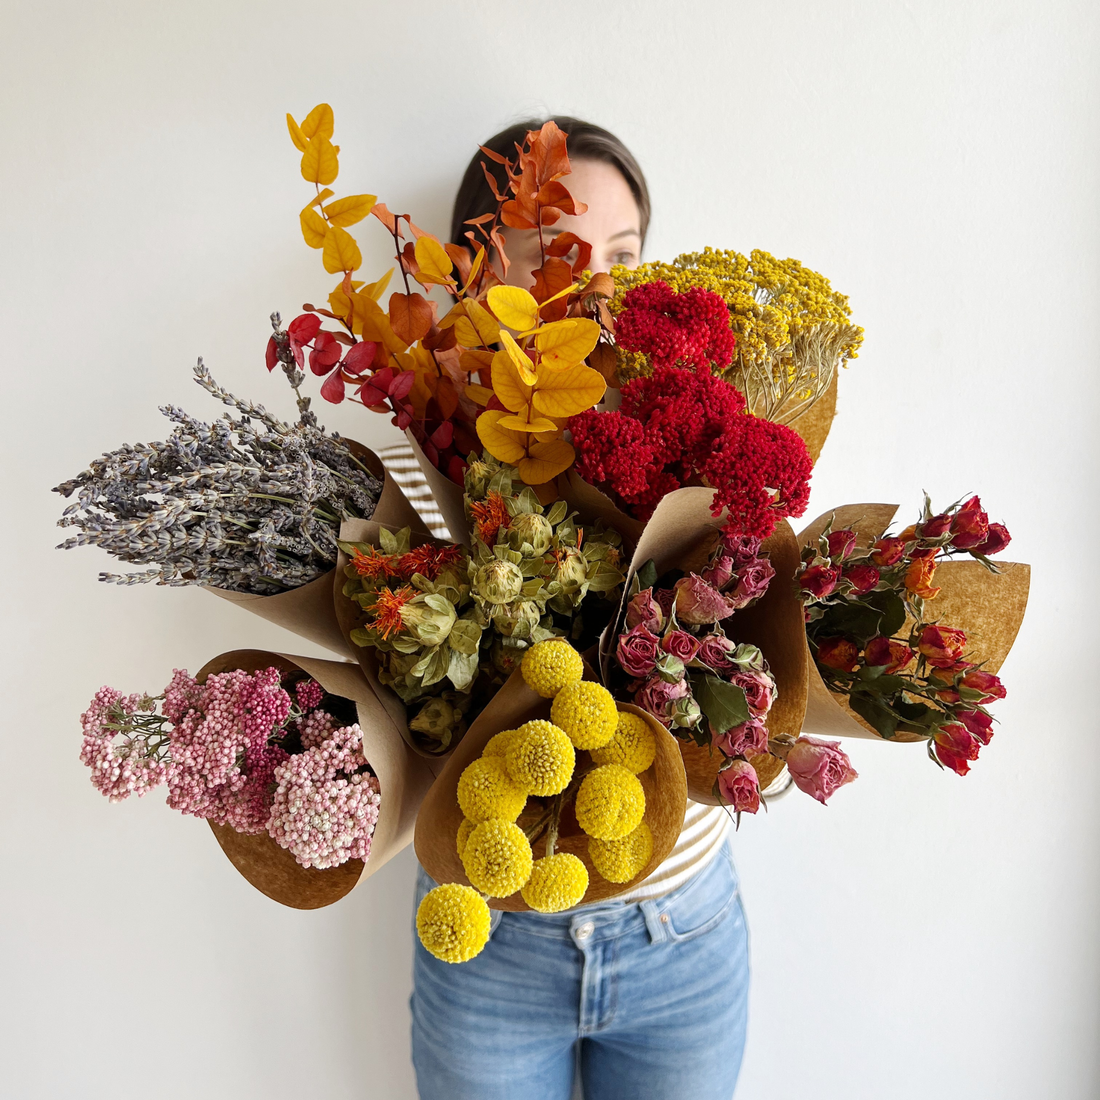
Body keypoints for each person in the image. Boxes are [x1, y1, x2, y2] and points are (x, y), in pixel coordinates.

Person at [406, 118, 750, 1100]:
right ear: (481, 267)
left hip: (679, 932)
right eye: (552, 251)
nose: (593, 283)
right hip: (488, 934)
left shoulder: (700, 436)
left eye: (621, 255)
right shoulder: (422, 451)